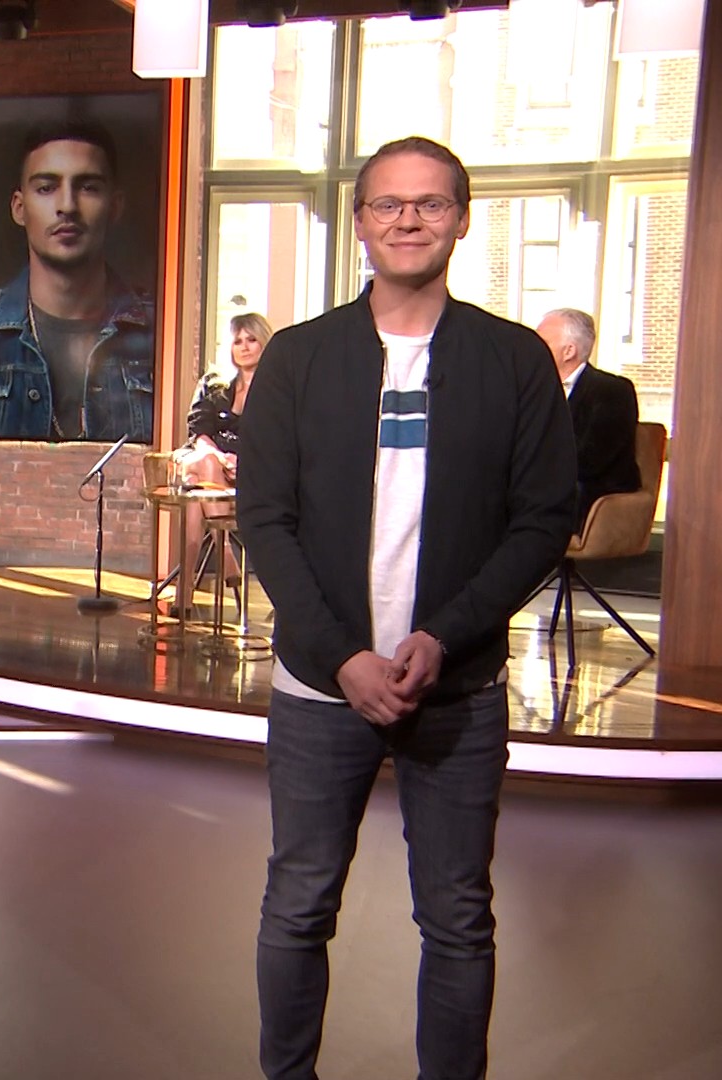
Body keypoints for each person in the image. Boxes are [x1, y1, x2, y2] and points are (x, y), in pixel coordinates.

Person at [237, 137, 576, 1080]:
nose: (409, 220)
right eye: (388, 204)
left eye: (430, 203)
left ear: (462, 219)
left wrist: (445, 635)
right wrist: (340, 654)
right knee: (298, 905)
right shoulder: (300, 358)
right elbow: (266, 520)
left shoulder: (515, 361)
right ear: (359, 223)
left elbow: (542, 521)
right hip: (320, 688)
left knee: (458, 917)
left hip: (457, 691)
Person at [0, 120, 155, 443]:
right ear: (19, 208)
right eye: (46, 188)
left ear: (115, 206)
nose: (67, 206)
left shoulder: (157, 332)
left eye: (88, 187)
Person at [158, 313, 271, 613]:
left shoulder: (275, 388)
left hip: (240, 475)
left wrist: (243, 461)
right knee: (207, 462)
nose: (244, 347)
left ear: (264, 343)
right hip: (199, 457)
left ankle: (184, 594)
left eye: (251, 340)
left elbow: (275, 437)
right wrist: (219, 457)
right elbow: (199, 431)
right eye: (237, 341)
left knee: (196, 500)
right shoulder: (214, 384)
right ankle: (225, 551)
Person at [534, 307, 642, 530]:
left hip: (588, 496)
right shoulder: (532, 388)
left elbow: (590, 459)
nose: (532, 349)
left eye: (541, 342)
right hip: (539, 489)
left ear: (569, 351)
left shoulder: (611, 390)